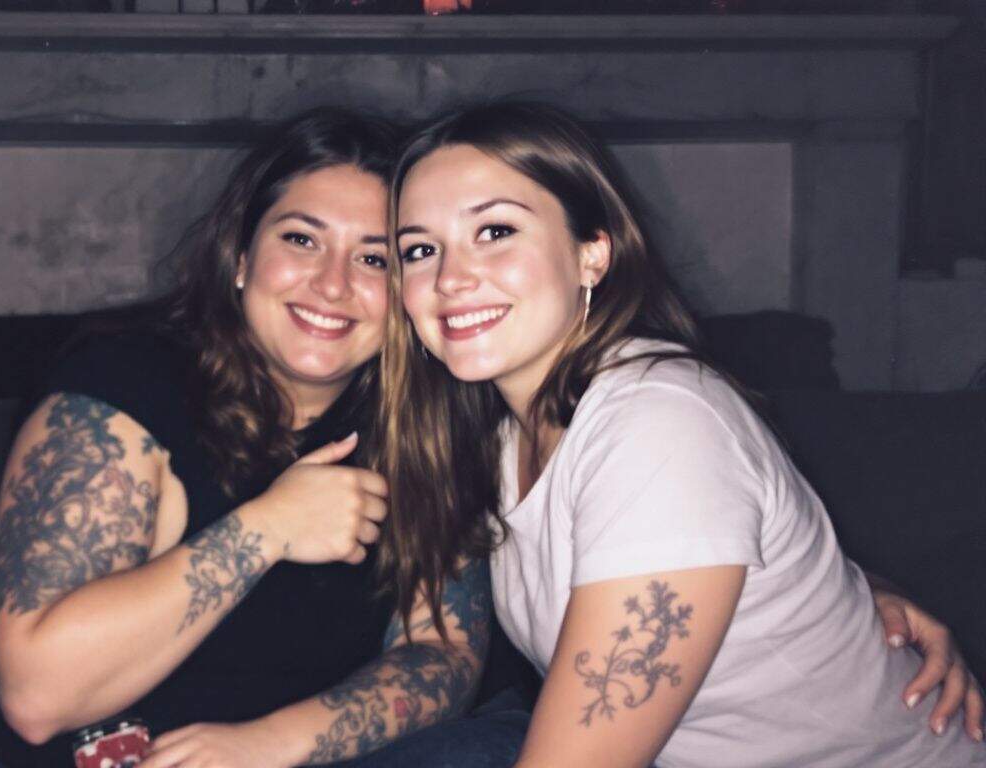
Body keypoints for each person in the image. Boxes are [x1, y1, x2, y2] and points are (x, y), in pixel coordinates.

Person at [0, 108, 494, 768]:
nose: (332, 283)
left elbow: (443, 651)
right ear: (241, 258)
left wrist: (276, 743)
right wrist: (268, 528)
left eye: (373, 257)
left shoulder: (425, 422)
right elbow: (37, 698)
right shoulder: (124, 382)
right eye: (301, 240)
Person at [380, 100, 986, 768]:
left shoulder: (659, 422)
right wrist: (863, 585)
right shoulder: (505, 441)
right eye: (420, 249)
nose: (451, 278)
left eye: (495, 231)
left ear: (592, 253)